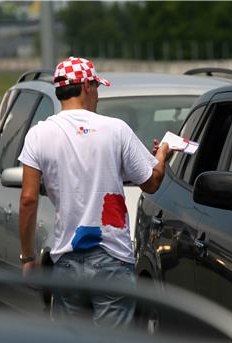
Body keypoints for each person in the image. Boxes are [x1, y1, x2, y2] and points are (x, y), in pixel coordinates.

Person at [18, 56, 171, 327]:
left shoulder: (38, 134)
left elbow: (28, 199)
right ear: (87, 86)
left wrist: (28, 258)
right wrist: (162, 156)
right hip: (113, 257)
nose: (98, 95)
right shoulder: (115, 129)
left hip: (66, 259)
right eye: (97, 87)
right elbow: (151, 182)